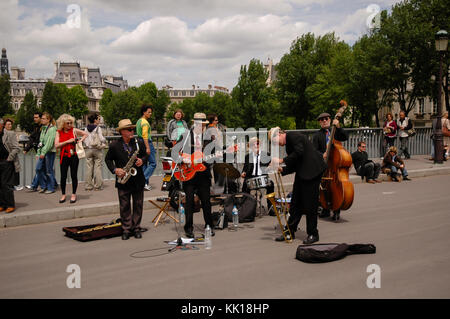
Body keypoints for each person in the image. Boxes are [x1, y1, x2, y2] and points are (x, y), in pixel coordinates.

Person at [269, 127, 326, 244]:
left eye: (275, 141)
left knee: (310, 204)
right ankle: (290, 231)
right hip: (303, 172)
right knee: (295, 203)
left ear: (279, 134)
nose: (276, 145)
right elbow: (295, 162)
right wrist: (282, 170)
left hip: (313, 172)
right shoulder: (289, 143)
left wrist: (281, 160)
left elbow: (299, 153)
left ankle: (313, 233)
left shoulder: (292, 136)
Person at [105, 119, 148, 240]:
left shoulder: (138, 142)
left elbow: (146, 155)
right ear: (122, 132)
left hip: (137, 178)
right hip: (123, 179)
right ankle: (126, 229)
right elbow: (107, 160)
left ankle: (136, 228)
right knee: (124, 205)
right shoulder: (114, 145)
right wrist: (115, 170)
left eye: (132, 129)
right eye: (129, 129)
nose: (132, 131)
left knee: (138, 204)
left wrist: (142, 160)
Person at [175, 112, 215, 239]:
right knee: (190, 202)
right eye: (200, 124)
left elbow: (212, 156)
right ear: (195, 124)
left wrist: (210, 158)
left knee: (206, 201)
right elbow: (175, 152)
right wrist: (184, 160)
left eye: (204, 125)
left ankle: (209, 226)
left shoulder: (208, 138)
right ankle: (189, 228)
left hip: (203, 174)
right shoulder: (185, 136)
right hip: (189, 174)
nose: (202, 127)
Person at [312, 112, 348, 221]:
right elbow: (314, 151)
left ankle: (337, 210)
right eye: (321, 119)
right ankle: (326, 208)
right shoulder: (317, 135)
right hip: (324, 165)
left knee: (336, 187)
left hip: (335, 165)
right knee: (324, 187)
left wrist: (338, 126)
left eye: (326, 119)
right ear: (319, 122)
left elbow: (345, 137)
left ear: (330, 119)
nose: (324, 121)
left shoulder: (336, 132)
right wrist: (321, 154)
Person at [55, 114, 88, 204]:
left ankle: (73, 194)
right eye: (67, 123)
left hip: (74, 155)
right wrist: (67, 141)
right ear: (63, 124)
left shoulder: (74, 130)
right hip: (64, 156)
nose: (69, 125)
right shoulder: (59, 132)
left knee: (74, 175)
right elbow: (56, 145)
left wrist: (80, 141)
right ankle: (63, 194)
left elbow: (85, 134)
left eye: (70, 123)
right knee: (63, 176)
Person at [241, 137, 274, 214]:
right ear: (250, 146)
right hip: (251, 178)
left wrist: (271, 166)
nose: (256, 146)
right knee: (245, 185)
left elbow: (271, 165)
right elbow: (244, 169)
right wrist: (243, 173)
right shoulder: (247, 157)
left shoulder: (266, 155)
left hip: (262, 177)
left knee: (271, 184)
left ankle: (271, 208)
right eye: (253, 144)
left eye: (257, 143)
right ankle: (246, 209)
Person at [0, 118, 20, 213]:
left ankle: (10, 204)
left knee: (6, 184)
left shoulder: (9, 134)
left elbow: (16, 148)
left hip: (7, 162)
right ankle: (2, 204)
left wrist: (9, 158)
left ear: (1, 125)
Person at [35, 112, 57, 194]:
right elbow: (41, 142)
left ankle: (50, 188)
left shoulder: (52, 129)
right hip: (43, 152)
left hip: (49, 152)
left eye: (44, 118)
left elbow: (49, 143)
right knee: (38, 169)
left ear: (48, 120)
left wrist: (43, 152)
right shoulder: (43, 128)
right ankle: (44, 186)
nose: (42, 120)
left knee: (48, 170)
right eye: (42, 118)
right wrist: (38, 152)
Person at [136, 104, 157, 191]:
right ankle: (142, 180)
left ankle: (144, 184)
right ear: (144, 112)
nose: (150, 114)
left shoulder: (139, 121)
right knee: (153, 163)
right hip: (146, 142)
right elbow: (145, 136)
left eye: (151, 112)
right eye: (149, 112)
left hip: (140, 143)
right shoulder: (145, 122)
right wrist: (148, 147)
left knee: (144, 164)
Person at [83, 114, 106, 191]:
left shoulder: (86, 128)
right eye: (98, 119)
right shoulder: (98, 128)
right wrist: (104, 141)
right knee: (98, 167)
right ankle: (97, 186)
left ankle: (88, 186)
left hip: (88, 149)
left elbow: (85, 139)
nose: (99, 121)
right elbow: (101, 138)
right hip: (97, 149)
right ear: (95, 120)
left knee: (89, 168)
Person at [25, 112, 43, 191]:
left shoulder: (43, 127)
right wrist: (27, 148)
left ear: (40, 118)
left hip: (43, 150)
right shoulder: (36, 127)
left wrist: (27, 148)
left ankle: (34, 185)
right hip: (39, 151)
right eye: (34, 117)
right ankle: (53, 184)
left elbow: (35, 138)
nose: (34, 119)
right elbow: (32, 138)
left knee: (39, 168)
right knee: (44, 169)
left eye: (36, 117)